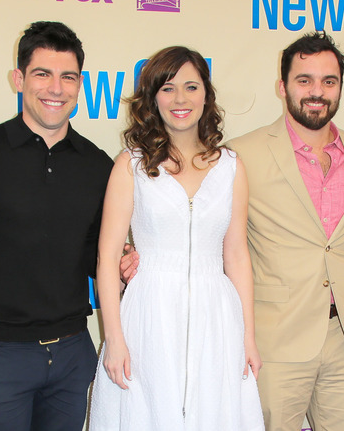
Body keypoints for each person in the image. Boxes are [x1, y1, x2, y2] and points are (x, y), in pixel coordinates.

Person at [89, 46, 263, 430]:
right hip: (149, 313)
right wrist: (113, 338)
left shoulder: (231, 166)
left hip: (216, 316)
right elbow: (107, 258)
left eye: (191, 86)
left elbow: (236, 255)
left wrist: (248, 336)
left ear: (206, 94)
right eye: (168, 88)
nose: (180, 99)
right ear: (153, 98)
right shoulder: (130, 164)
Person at [0, 21, 113, 430]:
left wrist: (127, 266)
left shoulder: (100, 166)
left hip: (74, 354)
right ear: (18, 78)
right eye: (42, 74)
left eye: (67, 77)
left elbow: (101, 258)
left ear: (81, 84)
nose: (55, 88)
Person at [228, 32, 344, 431]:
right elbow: (211, 232)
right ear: (282, 86)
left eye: (329, 81)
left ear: (342, 88)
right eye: (304, 80)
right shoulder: (243, 153)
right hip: (276, 338)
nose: (317, 92)